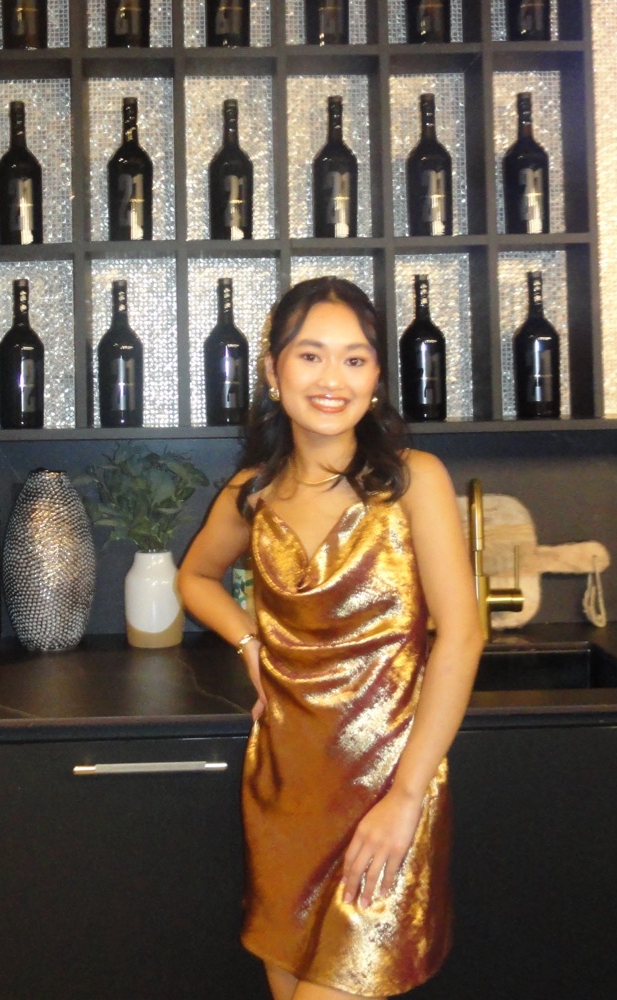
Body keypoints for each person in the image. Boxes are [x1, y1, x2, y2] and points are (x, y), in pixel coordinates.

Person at [178, 276, 482, 1000]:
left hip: (390, 788)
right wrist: (251, 646)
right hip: (286, 788)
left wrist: (406, 797)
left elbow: (462, 635)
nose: (332, 379)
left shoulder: (413, 481)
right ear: (273, 369)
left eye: (355, 359)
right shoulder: (251, 493)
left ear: (376, 378)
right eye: (310, 355)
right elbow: (194, 578)